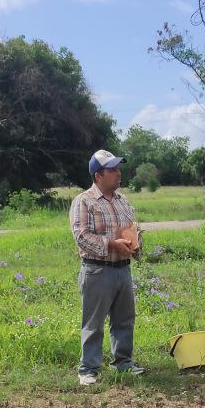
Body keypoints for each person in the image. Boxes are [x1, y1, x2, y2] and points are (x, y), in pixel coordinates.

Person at [69, 149, 143, 386]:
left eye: (118, 169)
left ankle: (123, 362)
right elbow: (81, 236)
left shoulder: (123, 201)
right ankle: (88, 369)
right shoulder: (84, 201)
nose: (118, 173)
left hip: (123, 269)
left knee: (124, 319)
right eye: (112, 170)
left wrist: (135, 245)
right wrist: (112, 244)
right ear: (98, 176)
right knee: (94, 322)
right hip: (97, 270)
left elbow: (131, 229)